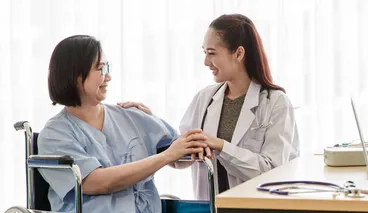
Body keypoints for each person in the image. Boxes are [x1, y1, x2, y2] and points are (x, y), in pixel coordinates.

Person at [120, 14, 300, 201]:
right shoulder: (205, 98)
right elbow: (182, 155)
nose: (206, 62)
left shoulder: (276, 103)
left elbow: (274, 171)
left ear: (239, 53)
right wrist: (149, 122)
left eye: (212, 53)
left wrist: (220, 146)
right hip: (210, 206)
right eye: (204, 52)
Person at [38, 35, 206, 213]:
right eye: (101, 69)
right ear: (76, 76)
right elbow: (98, 183)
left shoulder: (131, 116)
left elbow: (181, 155)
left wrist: (191, 147)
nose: (108, 76)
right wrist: (166, 157)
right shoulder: (54, 135)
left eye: (107, 67)